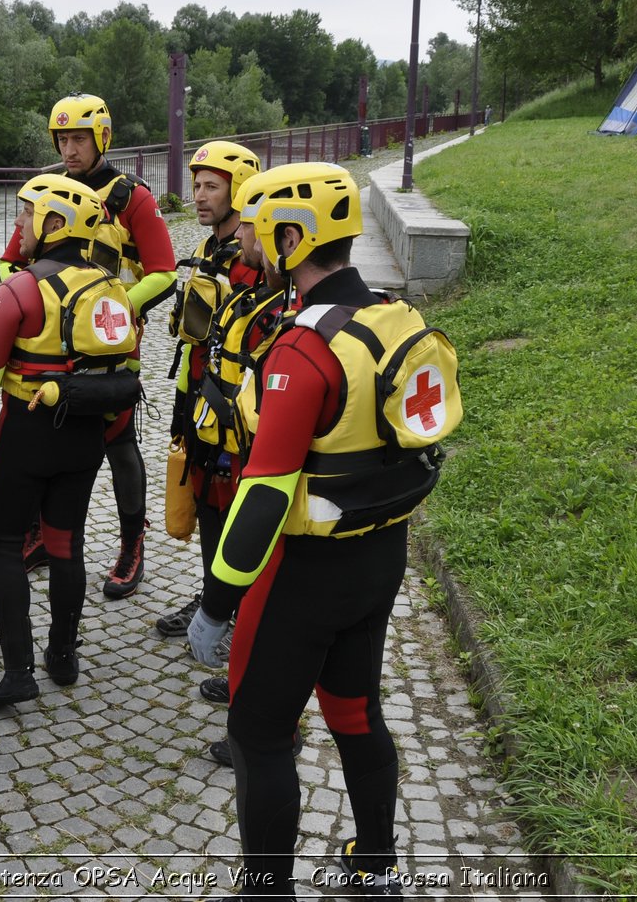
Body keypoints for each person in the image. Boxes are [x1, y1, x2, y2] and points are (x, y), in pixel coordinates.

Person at [187, 163, 430, 899]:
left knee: (259, 734)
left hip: (304, 570)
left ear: (294, 237)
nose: (253, 246)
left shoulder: (302, 346)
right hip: (380, 555)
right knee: (356, 709)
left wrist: (215, 601)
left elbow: (261, 497)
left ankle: (266, 891)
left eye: (263, 232)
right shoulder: (394, 316)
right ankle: (376, 863)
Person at [0, 176, 138, 710]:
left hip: (25, 431)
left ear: (55, 223)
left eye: (26, 216)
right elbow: (123, 372)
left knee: (2, 544)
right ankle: (63, 655)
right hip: (83, 436)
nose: (17, 226)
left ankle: (18, 672)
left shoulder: (20, 288)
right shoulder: (112, 288)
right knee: (66, 544)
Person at [0, 93, 175, 599]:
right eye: (62, 139)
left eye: (78, 138)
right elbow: (14, 263)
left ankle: (131, 543)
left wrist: (112, 311)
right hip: (44, 347)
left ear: (101, 139)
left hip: (108, 346)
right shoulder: (46, 191)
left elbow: (163, 272)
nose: (69, 149)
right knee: (42, 440)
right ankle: (39, 534)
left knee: (119, 444)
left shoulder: (131, 197)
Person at [156, 140, 264, 640]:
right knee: (204, 501)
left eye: (211, 187)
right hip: (198, 394)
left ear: (239, 191)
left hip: (236, 407)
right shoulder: (203, 251)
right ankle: (212, 599)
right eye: (196, 185)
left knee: (233, 504)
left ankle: (239, 611)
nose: (198, 195)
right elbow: (189, 335)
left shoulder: (256, 264)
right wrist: (183, 404)